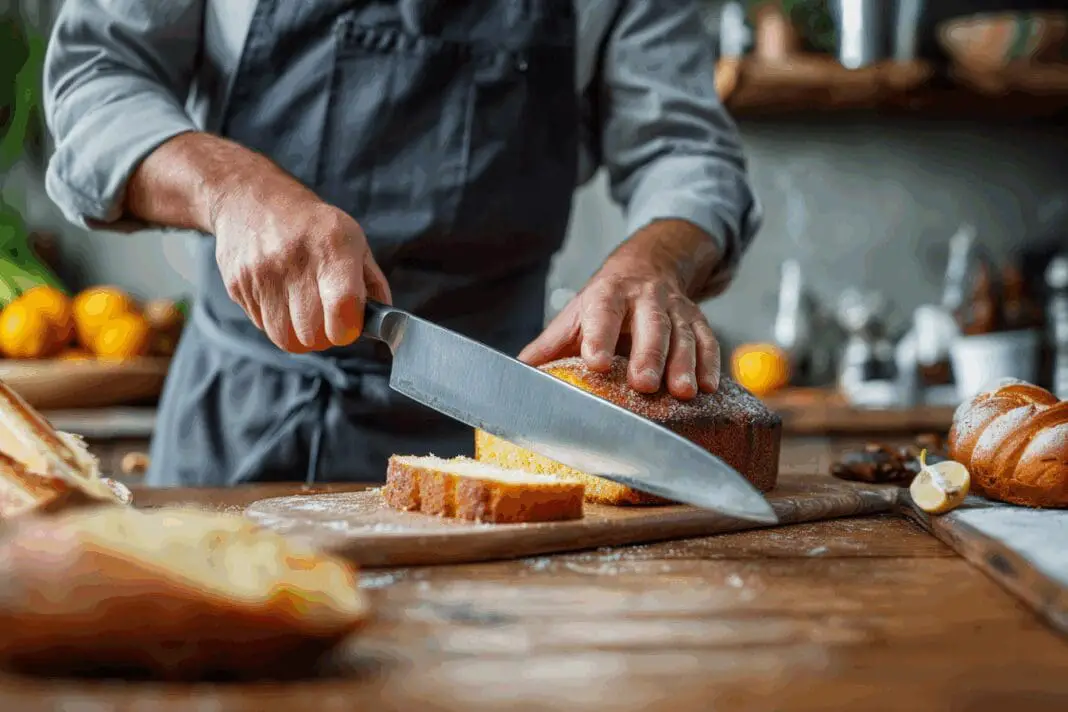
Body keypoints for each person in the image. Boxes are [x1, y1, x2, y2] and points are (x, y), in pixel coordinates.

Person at [42, 1, 762, 487]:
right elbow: (94, 81)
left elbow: (685, 150)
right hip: (232, 427)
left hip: (496, 432)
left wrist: (656, 260)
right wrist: (229, 186)